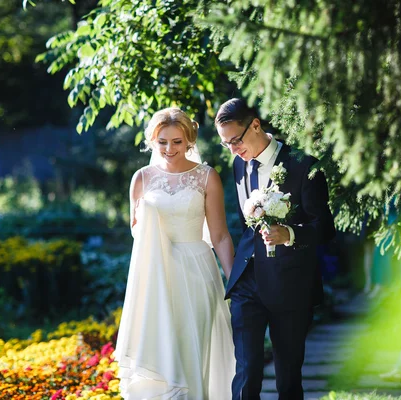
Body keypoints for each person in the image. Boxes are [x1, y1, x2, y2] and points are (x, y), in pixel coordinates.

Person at [215, 98, 336, 399]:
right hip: (248, 282)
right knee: (246, 370)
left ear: (255, 125)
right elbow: (247, 226)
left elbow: (325, 228)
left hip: (291, 283)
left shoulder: (304, 165)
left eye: (235, 141)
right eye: (225, 144)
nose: (233, 150)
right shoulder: (237, 164)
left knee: (287, 377)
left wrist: (290, 234)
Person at [114, 107, 235, 400]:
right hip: (157, 275)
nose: (169, 149)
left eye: (177, 141)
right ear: (153, 142)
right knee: (162, 347)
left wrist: (236, 281)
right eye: (162, 142)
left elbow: (218, 235)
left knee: (194, 349)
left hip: (197, 272)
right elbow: (135, 233)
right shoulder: (141, 179)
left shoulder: (207, 177)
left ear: (189, 140)